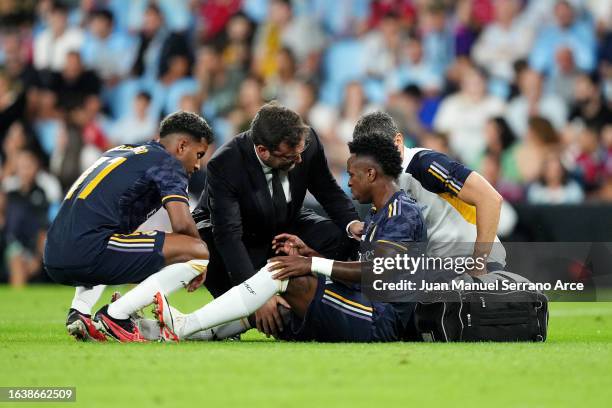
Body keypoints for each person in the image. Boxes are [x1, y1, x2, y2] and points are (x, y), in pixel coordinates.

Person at [154, 131, 425, 342]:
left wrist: (312, 265)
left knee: (283, 276)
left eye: (352, 174)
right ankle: (183, 330)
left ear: (371, 173)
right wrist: (312, 255)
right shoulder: (380, 213)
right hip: (362, 303)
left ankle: (185, 325)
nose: (349, 181)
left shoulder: (401, 212)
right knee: (279, 310)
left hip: (380, 319)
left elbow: (379, 272)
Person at [193, 101, 361, 337]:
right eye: (290, 157)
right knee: (206, 245)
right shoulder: (225, 164)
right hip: (239, 232)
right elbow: (229, 236)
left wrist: (353, 225)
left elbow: (327, 190)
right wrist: (257, 298)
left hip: (285, 221)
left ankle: (330, 298)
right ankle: (230, 318)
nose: (299, 161)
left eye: (300, 153)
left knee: (338, 236)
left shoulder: (307, 142)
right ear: (263, 150)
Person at [43, 111, 213, 342]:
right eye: (199, 154)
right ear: (182, 146)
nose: (197, 164)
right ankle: (117, 316)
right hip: (88, 248)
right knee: (198, 252)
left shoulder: (122, 150)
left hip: (53, 252)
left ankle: (80, 312)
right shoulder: (167, 163)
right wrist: (200, 262)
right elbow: (182, 224)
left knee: (115, 234)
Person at [353, 111, 505, 273]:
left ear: (397, 142)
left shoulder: (426, 164)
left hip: (473, 264)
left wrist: (479, 264)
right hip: (439, 270)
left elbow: (490, 199)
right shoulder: (381, 186)